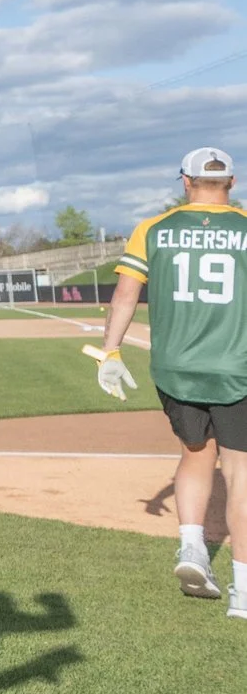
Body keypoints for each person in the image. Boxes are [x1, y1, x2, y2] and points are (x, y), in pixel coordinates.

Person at [97, 146, 247, 622]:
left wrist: (112, 352)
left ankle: (193, 549)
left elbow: (125, 294)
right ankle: (243, 592)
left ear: (185, 181)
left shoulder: (153, 229)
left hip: (176, 369)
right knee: (241, 473)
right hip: (237, 367)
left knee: (195, 454)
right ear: (232, 183)